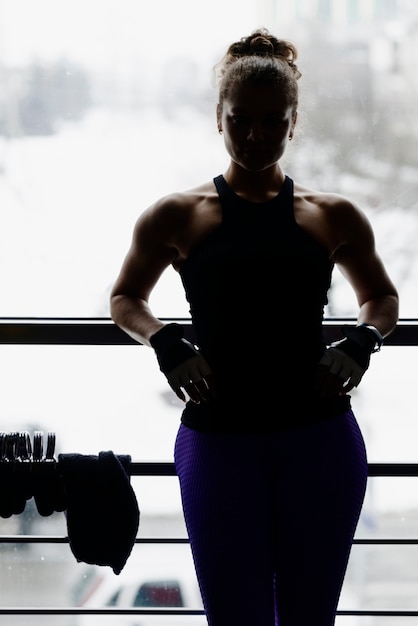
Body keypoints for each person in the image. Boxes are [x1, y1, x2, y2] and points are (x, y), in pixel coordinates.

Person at [110, 27, 399, 626]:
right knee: (235, 617)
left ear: (294, 124)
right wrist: (166, 343)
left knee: (308, 616)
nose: (256, 135)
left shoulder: (331, 215)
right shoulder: (178, 215)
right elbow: (125, 297)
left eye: (273, 121)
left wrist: (361, 344)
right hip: (219, 441)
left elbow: (382, 297)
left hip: (319, 439)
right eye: (241, 119)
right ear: (219, 117)